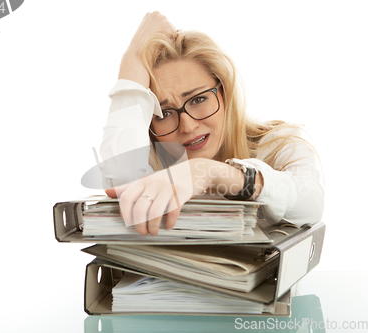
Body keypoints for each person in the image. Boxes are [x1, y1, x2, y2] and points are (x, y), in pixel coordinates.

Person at [100, 12, 324, 237]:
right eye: (164, 113)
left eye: (198, 100)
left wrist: (210, 172)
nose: (187, 126)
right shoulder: (150, 159)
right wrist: (132, 63)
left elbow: (311, 204)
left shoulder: (278, 144)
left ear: (224, 93)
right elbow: (121, 189)